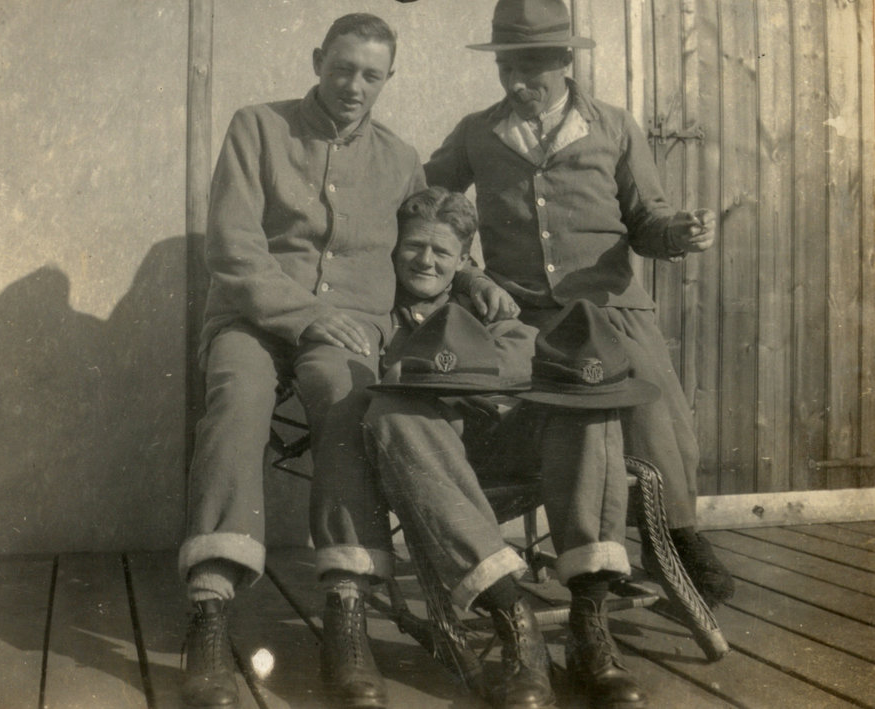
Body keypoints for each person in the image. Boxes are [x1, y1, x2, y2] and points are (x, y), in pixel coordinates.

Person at [424, 0, 734, 609]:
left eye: (533, 67)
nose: (518, 83)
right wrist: (463, 275)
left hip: (612, 310)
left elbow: (648, 220)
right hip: (525, 319)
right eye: (507, 68)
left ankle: (676, 538)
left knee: (655, 417)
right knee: (548, 421)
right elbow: (426, 207)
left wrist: (680, 233)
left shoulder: (614, 127)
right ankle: (585, 554)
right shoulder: (476, 133)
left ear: (565, 61)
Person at [314, 187, 650, 708]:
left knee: (588, 402)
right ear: (391, 248)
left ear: (462, 260)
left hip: (497, 441)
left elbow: (524, 352)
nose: (425, 260)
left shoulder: (480, 301)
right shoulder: (376, 309)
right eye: (412, 248)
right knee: (397, 410)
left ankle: (590, 624)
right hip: (427, 461)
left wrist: (467, 360)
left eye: (441, 253)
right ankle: (514, 620)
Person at [179, 14, 427, 709]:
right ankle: (209, 608)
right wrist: (311, 313)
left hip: (348, 332)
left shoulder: (401, 158)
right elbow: (231, 250)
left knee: (349, 401)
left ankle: (346, 614)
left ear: (387, 79)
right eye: (342, 67)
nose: (353, 85)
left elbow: (424, 249)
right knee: (237, 399)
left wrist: (462, 288)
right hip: (252, 317)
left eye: (370, 74)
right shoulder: (257, 127)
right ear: (318, 60)